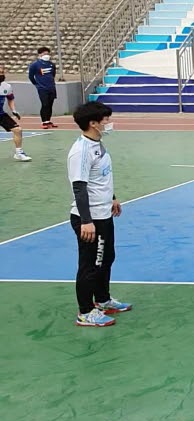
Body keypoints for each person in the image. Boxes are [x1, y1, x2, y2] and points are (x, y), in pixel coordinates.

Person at [67, 101, 130, 327]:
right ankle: (85, 312)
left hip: (104, 214)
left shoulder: (97, 144)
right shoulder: (81, 151)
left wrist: (112, 196)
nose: (108, 123)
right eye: (104, 120)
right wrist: (86, 221)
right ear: (93, 123)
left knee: (106, 258)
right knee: (90, 265)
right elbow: (80, 187)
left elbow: (100, 178)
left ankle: (102, 300)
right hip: (90, 219)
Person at [1, 66, 31, 162]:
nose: (1, 74)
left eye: (2, 72)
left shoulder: (7, 86)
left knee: (18, 130)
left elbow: (10, 99)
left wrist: (13, 110)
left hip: (0, 114)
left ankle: (19, 153)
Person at [28, 50, 57, 129]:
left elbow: (53, 74)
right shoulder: (35, 65)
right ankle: (44, 121)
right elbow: (31, 76)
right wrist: (37, 84)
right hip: (42, 88)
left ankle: (48, 120)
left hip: (51, 87)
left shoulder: (51, 64)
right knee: (45, 104)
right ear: (40, 54)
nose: (46, 55)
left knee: (50, 104)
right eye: (44, 53)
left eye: (47, 53)